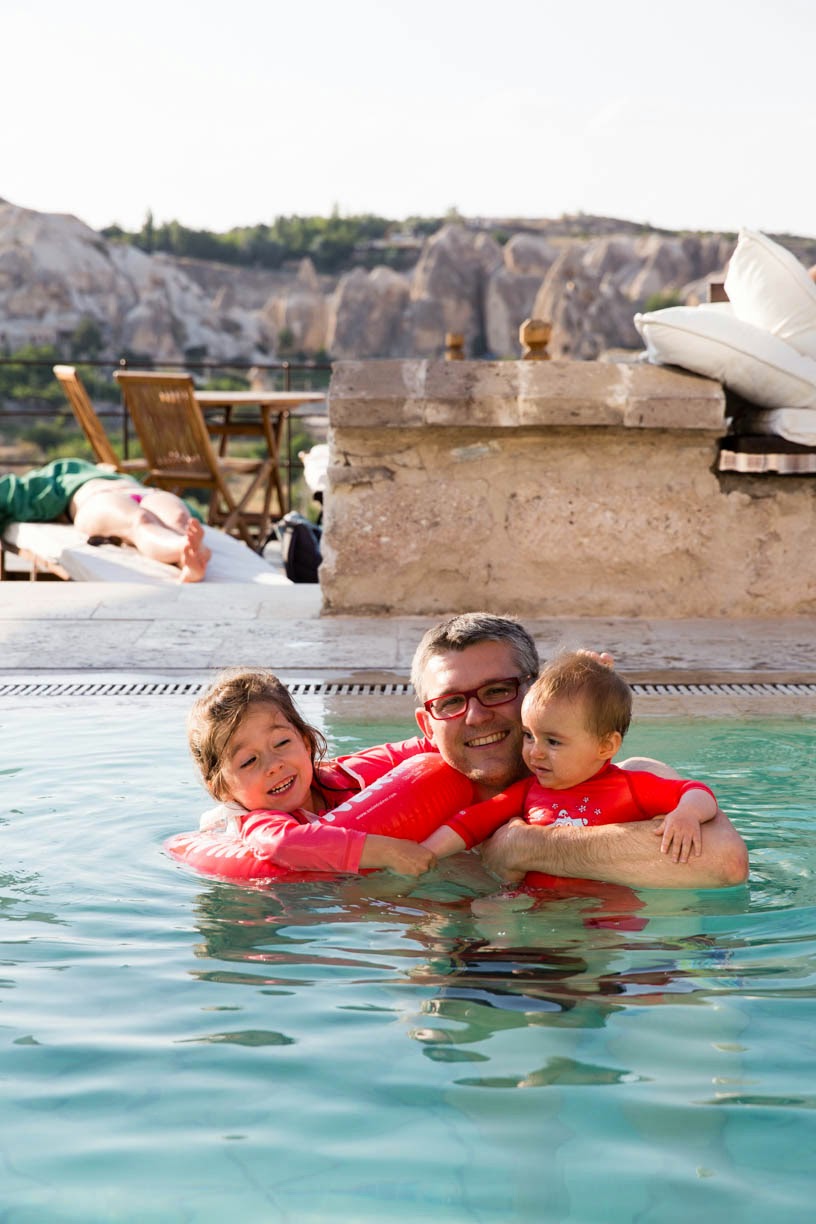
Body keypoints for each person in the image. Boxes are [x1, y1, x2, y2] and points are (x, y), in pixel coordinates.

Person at [405, 613, 749, 889]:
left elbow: (727, 864)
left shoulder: (635, 778)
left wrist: (526, 846)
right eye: (451, 702)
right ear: (426, 725)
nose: (477, 716)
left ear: (535, 693)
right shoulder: (403, 800)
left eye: (497, 690)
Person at [180, 669, 514, 880]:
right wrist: (388, 852)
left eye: (281, 743)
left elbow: (425, 746)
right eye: (249, 761)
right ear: (222, 789)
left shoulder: (345, 774)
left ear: (306, 742)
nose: (274, 764)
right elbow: (283, 844)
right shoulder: (257, 821)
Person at [517, 651, 717, 876]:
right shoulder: (526, 791)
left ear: (606, 746)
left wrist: (687, 814)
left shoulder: (628, 788)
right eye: (528, 735)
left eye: (553, 742)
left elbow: (696, 791)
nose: (535, 752)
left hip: (607, 896)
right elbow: (481, 822)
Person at [0, 458, 211, 582]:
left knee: (178, 520)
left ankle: (187, 556)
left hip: (142, 494)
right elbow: (9, 494)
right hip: (102, 498)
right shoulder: (64, 472)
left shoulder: (115, 477)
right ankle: (182, 547)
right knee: (140, 520)